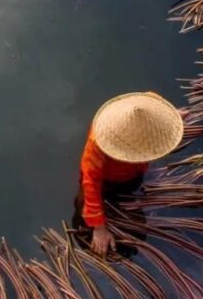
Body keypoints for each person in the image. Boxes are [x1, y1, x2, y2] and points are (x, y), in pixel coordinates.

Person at [77, 92, 184, 256]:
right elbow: (90, 182)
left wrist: (169, 122)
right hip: (110, 180)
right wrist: (99, 228)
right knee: (85, 200)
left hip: (133, 173)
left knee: (132, 196)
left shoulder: (146, 103)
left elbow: (155, 111)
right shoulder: (98, 143)